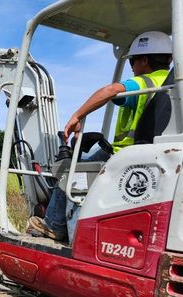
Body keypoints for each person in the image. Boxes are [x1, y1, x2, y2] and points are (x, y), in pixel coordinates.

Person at [28, 31, 173, 242]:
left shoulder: (144, 83)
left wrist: (77, 116)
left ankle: (55, 225)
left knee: (72, 171)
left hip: (128, 154)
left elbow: (111, 90)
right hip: (159, 154)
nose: (132, 67)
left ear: (144, 59)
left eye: (133, 60)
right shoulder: (177, 83)